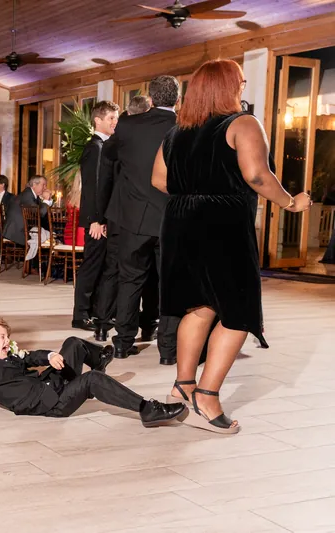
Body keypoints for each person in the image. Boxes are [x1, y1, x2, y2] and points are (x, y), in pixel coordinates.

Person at [153, 59, 312, 434]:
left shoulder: (176, 132)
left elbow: (159, 179)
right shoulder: (242, 124)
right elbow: (257, 175)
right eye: (240, 82)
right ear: (227, 87)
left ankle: (183, 386)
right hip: (221, 225)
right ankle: (207, 398)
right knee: (239, 312)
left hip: (178, 222)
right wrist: (291, 202)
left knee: (199, 305)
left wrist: (191, 196)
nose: (243, 87)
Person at [0, 318, 186, 426]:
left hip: (51, 383)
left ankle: (98, 359)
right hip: (52, 404)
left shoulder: (10, 354)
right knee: (92, 380)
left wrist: (50, 356)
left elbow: (30, 357)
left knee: (73, 343)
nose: (7, 341)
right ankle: (147, 409)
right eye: (2, 337)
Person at [104, 76, 181, 363]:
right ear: (178, 98)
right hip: (171, 220)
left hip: (134, 219)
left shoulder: (127, 125)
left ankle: (123, 343)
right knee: (170, 285)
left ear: (150, 97)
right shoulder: (184, 129)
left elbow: (110, 154)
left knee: (130, 280)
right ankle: (168, 350)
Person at [72, 101, 120, 332]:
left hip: (103, 218)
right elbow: (93, 186)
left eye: (116, 118)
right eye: (110, 118)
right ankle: (80, 315)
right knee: (91, 266)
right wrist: (96, 219)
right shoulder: (95, 148)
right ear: (98, 120)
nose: (115, 122)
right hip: (97, 220)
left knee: (101, 266)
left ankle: (93, 312)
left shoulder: (105, 146)